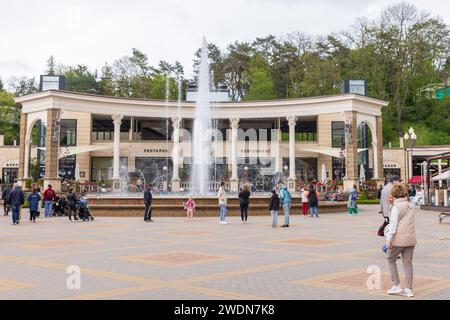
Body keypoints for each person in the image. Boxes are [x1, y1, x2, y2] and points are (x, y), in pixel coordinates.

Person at [386, 184, 417, 298]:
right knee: (408, 263)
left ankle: (396, 284)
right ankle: (409, 289)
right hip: (410, 239)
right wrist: (391, 205)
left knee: (390, 259)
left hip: (398, 239)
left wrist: (388, 239)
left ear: (394, 194)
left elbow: (393, 224)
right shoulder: (410, 205)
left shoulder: (396, 207)